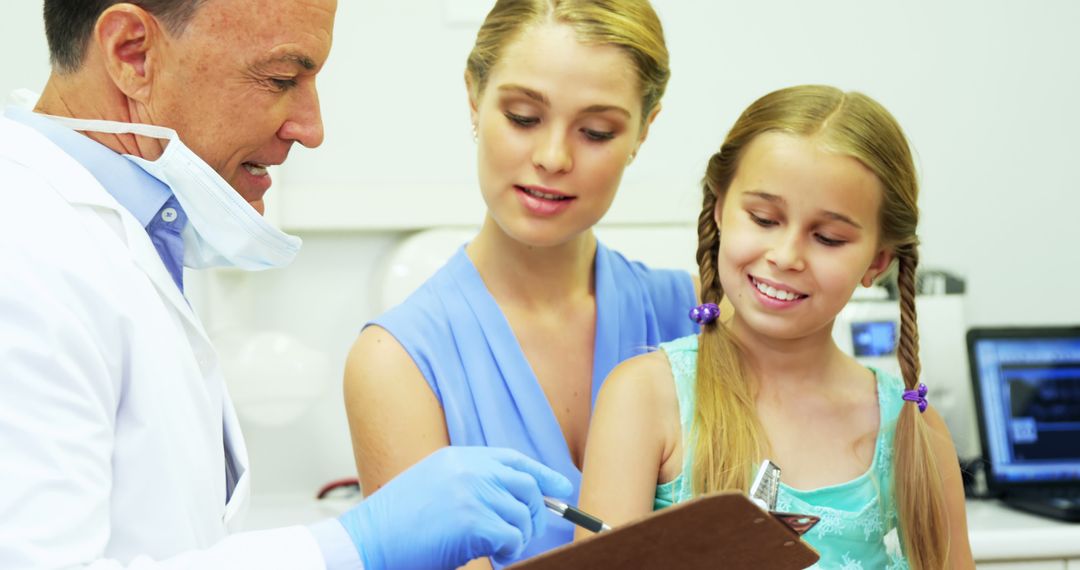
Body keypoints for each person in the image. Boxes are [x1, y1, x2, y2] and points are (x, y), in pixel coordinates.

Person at [0, 1, 571, 569]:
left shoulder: (132, 233)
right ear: (132, 53)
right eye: (281, 78)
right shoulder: (23, 251)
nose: (311, 128)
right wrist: (347, 550)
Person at [344, 0, 698, 566]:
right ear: (473, 99)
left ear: (643, 132)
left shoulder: (695, 314)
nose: (553, 157)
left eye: (597, 131)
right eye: (523, 118)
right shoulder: (397, 363)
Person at [576, 85, 976, 568]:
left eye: (827, 238)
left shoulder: (911, 426)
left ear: (877, 262)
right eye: (764, 219)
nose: (786, 257)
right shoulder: (644, 397)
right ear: (720, 210)